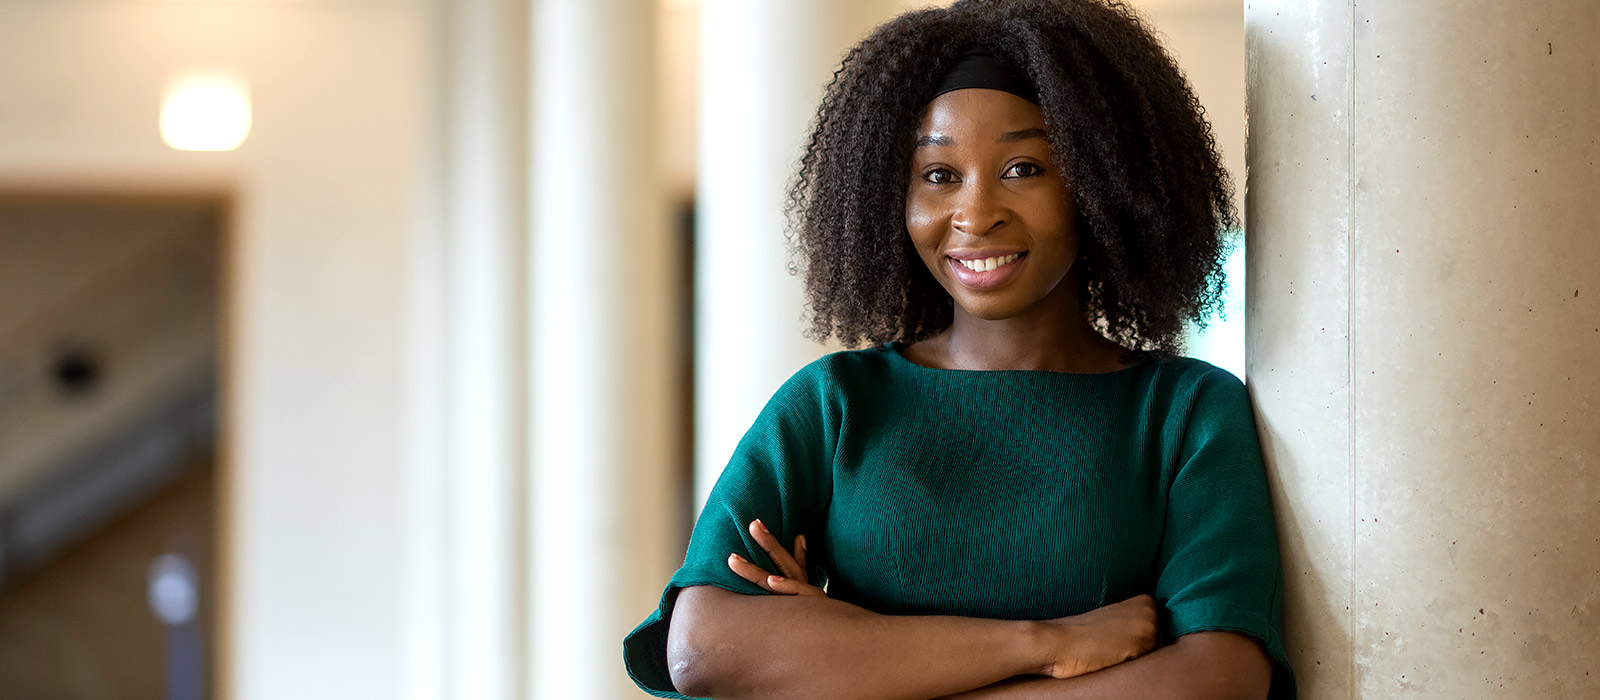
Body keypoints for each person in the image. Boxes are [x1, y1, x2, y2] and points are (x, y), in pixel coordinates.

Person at [623, 0, 1295, 698]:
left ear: (1100, 184)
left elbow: (1218, 679)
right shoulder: (836, 404)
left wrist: (858, 657)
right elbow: (702, 649)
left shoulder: (1184, 412)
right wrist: (1047, 642)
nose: (975, 214)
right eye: (939, 175)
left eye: (1024, 168)